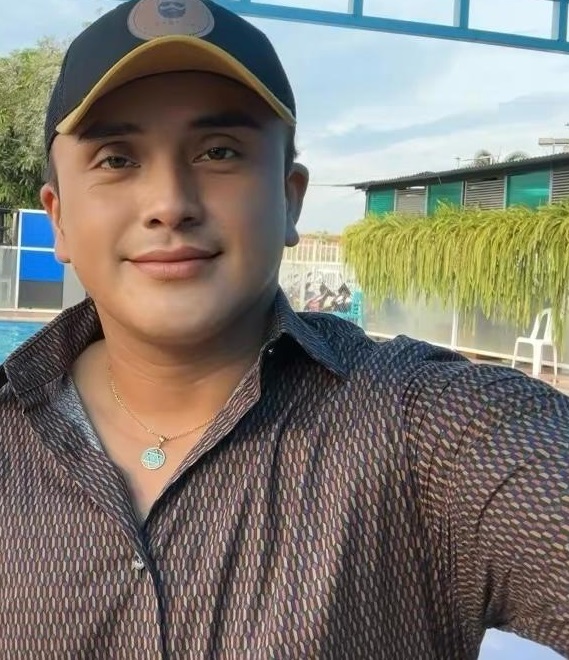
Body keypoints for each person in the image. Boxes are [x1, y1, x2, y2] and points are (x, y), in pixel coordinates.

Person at [0, 0, 566, 658]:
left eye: (219, 151)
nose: (169, 205)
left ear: (289, 199)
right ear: (59, 217)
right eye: (116, 160)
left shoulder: (430, 429)